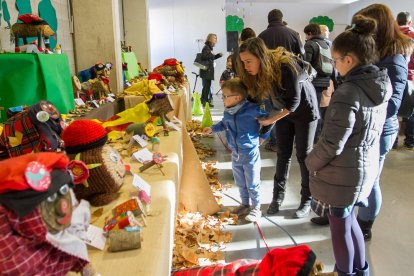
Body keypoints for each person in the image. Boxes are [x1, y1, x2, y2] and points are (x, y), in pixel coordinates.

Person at [305, 15, 392, 276]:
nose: (334, 65)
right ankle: (360, 270)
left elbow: (332, 143)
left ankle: (345, 272)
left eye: (335, 60)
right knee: (349, 220)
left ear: (349, 60)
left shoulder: (347, 93)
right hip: (363, 170)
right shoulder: (378, 84)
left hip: (343, 173)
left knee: (339, 228)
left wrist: (310, 162)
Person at [237, 38, 319, 218]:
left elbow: (294, 103)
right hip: (285, 111)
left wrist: (269, 121)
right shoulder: (262, 72)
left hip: (304, 110)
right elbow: (267, 103)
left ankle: (307, 199)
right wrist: (261, 133)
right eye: (243, 62)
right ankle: (277, 198)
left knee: (304, 155)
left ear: (260, 56)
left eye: (248, 61)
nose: (246, 66)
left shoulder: (285, 66)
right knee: (283, 153)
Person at [353, 4, 411, 241]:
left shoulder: (394, 58)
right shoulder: (375, 52)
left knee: (371, 179)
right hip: (363, 125)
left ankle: (364, 224)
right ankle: (344, 214)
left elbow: (391, 105)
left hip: (379, 129)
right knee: (356, 177)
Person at [202, 78, 270, 222]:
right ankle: (244, 204)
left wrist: (262, 137)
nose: (223, 99)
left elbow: (270, 122)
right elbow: (223, 124)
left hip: (250, 153)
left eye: (225, 96)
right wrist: (212, 129)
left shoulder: (252, 110)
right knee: (240, 181)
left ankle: (256, 208)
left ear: (237, 98)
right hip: (235, 153)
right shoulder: (228, 112)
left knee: (252, 182)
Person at [258, 9, 305, 153]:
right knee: (288, 109)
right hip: (290, 78)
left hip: (269, 80)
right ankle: (288, 141)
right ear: (281, 18)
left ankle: (274, 141)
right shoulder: (293, 33)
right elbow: (302, 56)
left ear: (268, 19)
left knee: (271, 109)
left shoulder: (262, 36)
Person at [303, 23, 334, 142]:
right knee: (319, 108)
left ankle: (314, 136)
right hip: (325, 80)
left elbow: (306, 64)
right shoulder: (326, 44)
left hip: (314, 81)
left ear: (310, 33)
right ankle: (318, 134)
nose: (306, 36)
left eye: (306, 34)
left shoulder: (310, 44)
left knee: (312, 109)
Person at [396, 11, 414, 149]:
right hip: (410, 78)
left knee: (393, 110)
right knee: (411, 112)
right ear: (409, 22)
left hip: (393, 77)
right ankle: (410, 141)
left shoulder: (391, 35)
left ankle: (392, 142)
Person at [200, 33, 223, 108]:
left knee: (207, 86)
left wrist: (218, 55)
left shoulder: (209, 48)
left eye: (216, 38)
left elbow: (210, 58)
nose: (216, 39)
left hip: (208, 71)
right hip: (207, 71)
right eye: (215, 38)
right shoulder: (207, 47)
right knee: (206, 87)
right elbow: (204, 56)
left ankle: (204, 101)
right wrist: (213, 55)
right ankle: (205, 101)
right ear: (210, 39)